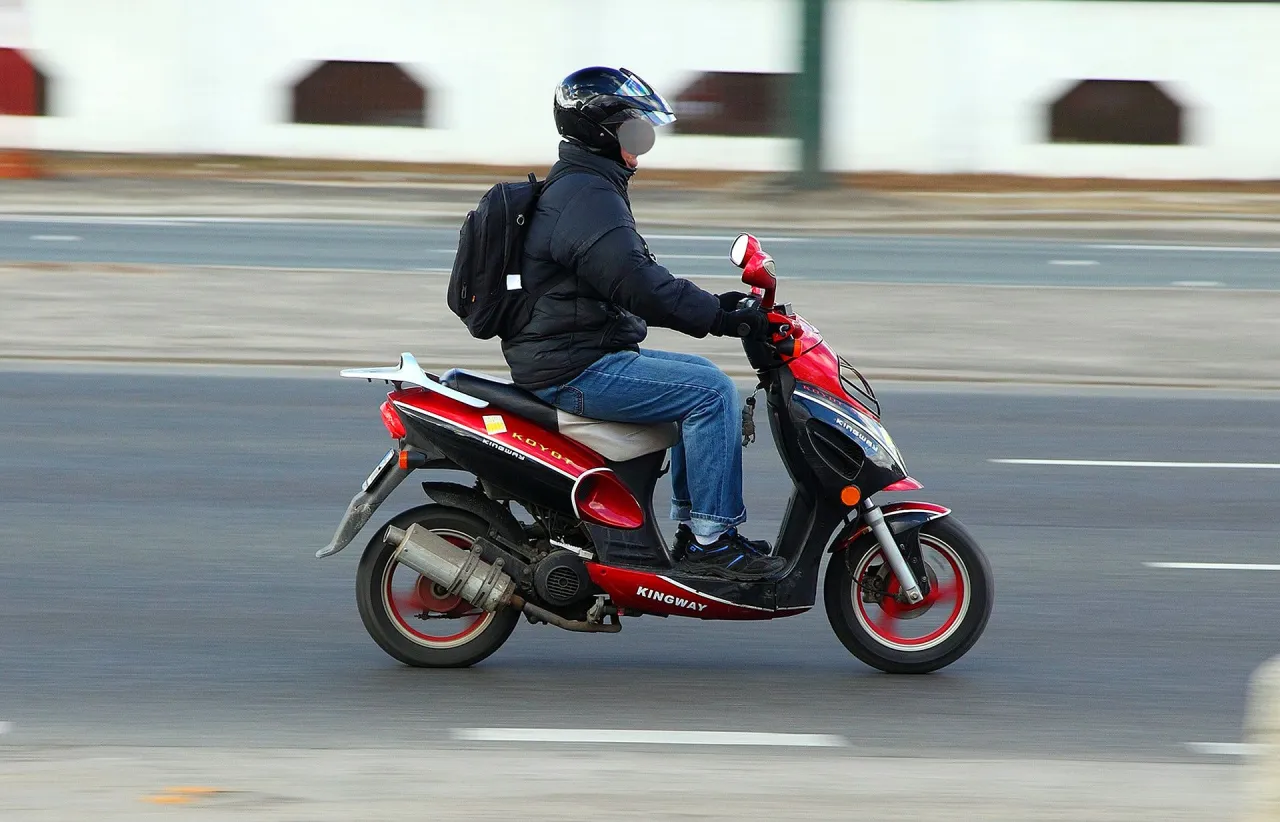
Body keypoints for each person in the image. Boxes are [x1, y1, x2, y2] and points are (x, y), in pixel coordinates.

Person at [500, 66, 785, 582]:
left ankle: (696, 529)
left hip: (578, 351)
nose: (641, 146)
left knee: (695, 383)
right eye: (635, 132)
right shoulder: (586, 197)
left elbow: (639, 279)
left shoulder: (586, 187)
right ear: (601, 133)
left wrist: (720, 306)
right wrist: (722, 317)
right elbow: (640, 285)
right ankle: (711, 542)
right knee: (711, 392)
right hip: (574, 367)